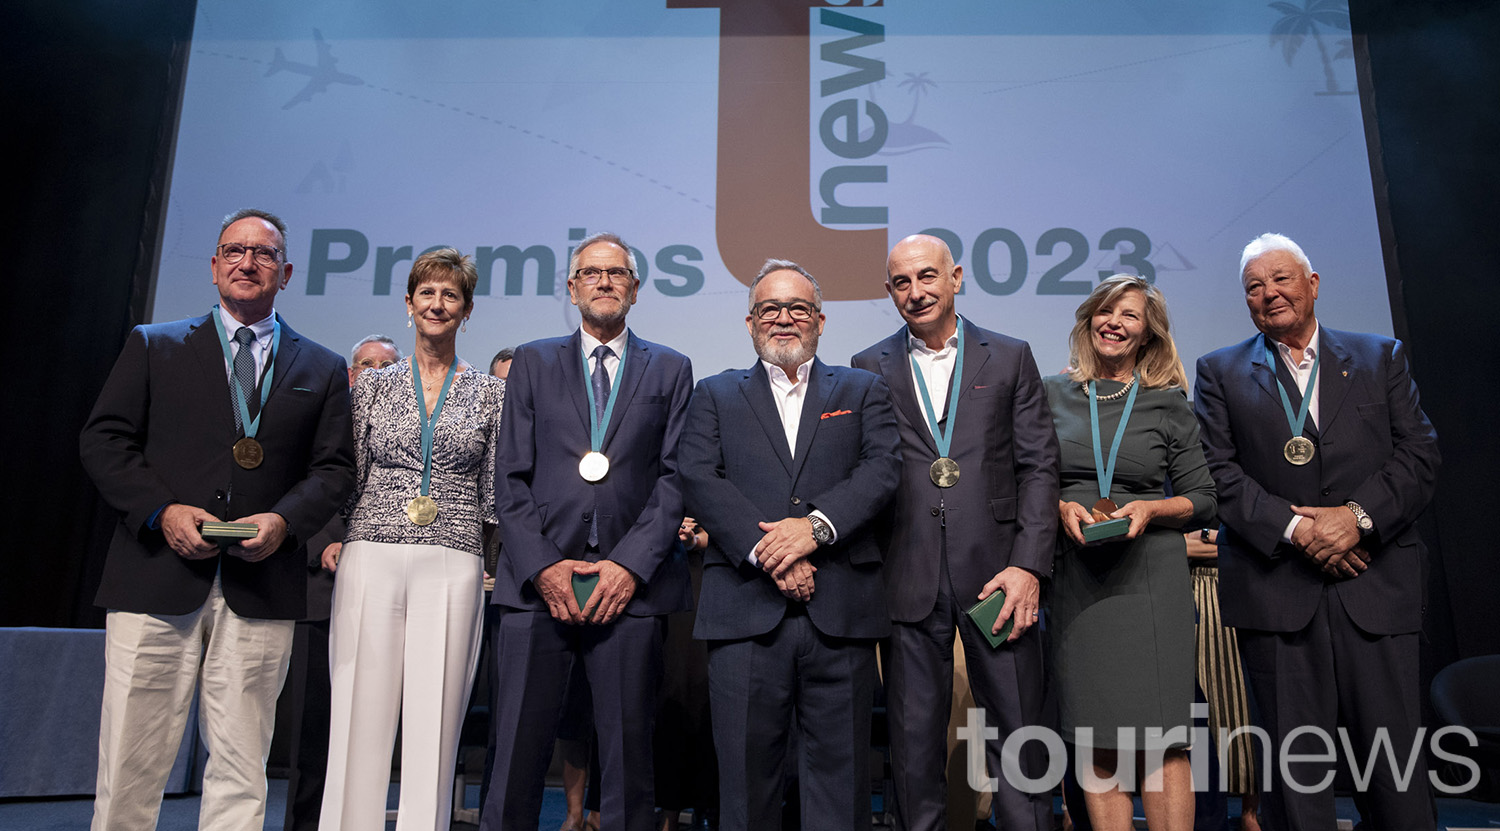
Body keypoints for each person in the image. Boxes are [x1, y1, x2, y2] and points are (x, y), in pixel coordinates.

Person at [79, 208, 356, 831]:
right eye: (234, 251)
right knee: (130, 759)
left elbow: (334, 471)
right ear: (213, 267)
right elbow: (105, 441)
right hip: (155, 574)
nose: (246, 263)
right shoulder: (154, 344)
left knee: (241, 763)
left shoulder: (322, 366)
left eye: (262, 255)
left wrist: (285, 522)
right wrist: (162, 510)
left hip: (260, 585)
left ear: (284, 273)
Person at [1193, 233, 1440, 830]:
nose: (1268, 294)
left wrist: (1354, 521)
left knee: (1395, 772)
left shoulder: (1380, 356)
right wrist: (1298, 532)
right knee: (1295, 778)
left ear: (1313, 283)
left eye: (1280, 279)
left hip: (1375, 587)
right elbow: (1217, 473)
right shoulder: (1219, 371)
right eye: (1254, 286)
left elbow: (1419, 455)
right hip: (1278, 593)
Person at [482, 232, 694, 831]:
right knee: (516, 755)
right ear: (572, 287)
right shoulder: (533, 361)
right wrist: (542, 565)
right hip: (536, 586)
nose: (604, 281)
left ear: (635, 287)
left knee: (629, 759)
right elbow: (509, 476)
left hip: (632, 588)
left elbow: (676, 479)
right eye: (591, 273)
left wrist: (629, 566)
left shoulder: (672, 368)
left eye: (616, 272)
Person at [681, 258, 901, 831]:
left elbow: (881, 471)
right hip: (744, 615)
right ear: (750, 323)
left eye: (798, 309)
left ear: (820, 321)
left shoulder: (863, 388)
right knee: (746, 788)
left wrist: (815, 529)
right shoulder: (714, 393)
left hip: (842, 612)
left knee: (843, 784)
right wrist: (771, 554)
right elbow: (701, 477)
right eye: (770, 309)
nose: (784, 319)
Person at [850, 234, 1060, 831]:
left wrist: (1028, 565)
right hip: (908, 575)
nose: (915, 292)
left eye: (927, 277)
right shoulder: (868, 366)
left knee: (1020, 734)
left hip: (999, 576)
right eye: (901, 283)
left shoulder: (1011, 355)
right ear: (889, 291)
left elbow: (1039, 467)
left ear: (956, 277)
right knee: (913, 745)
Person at [318, 249, 505, 829]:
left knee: (437, 718)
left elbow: (493, 493)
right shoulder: (371, 389)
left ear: (466, 311)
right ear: (409, 304)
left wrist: (494, 561)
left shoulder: (490, 395)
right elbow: (344, 475)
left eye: (451, 296)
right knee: (358, 713)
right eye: (427, 293)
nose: (438, 304)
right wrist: (334, 538)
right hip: (371, 551)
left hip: (453, 559)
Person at [1043, 274, 1216, 830]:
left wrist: (1150, 510)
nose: (1114, 323)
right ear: (1089, 319)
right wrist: (1055, 508)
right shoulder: (1050, 394)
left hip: (1149, 582)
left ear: (1147, 335)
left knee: (1163, 740)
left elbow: (1204, 499)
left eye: (1130, 316)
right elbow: (1024, 478)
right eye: (1106, 311)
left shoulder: (1167, 403)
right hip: (1078, 577)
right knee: (1096, 737)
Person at [283, 334, 402, 831]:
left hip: (389, 594)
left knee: (375, 727)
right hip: (321, 593)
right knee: (316, 730)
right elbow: (298, 491)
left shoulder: (407, 427)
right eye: (366, 365)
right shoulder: (320, 422)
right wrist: (327, 544)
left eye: (387, 367)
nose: (374, 374)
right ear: (350, 373)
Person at [1182, 528, 1260, 831]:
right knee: (1204, 710)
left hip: (1243, 586)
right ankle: (1207, 814)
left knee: (1245, 703)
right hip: (1195, 592)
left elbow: (1257, 542)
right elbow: (1178, 545)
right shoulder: (1182, 490)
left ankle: (1250, 812)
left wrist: (1231, 543)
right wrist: (1227, 542)